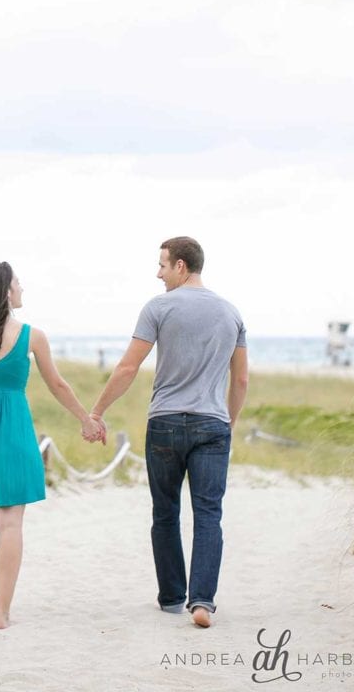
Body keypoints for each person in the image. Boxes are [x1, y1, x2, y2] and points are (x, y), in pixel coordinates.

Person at [86, 236, 248, 628]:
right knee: (209, 514)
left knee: (166, 512)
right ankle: (203, 603)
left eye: (162, 265)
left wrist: (97, 411)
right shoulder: (231, 313)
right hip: (212, 424)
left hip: (165, 422)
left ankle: (172, 597)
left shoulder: (158, 307)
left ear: (181, 265)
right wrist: (230, 419)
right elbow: (240, 379)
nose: (158, 274)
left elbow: (127, 368)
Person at [0, 261, 105, 629]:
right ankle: (3, 612)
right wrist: (86, 419)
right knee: (10, 524)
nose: (22, 288)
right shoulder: (32, 336)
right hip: (13, 431)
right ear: (5, 292)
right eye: (18, 283)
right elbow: (58, 385)